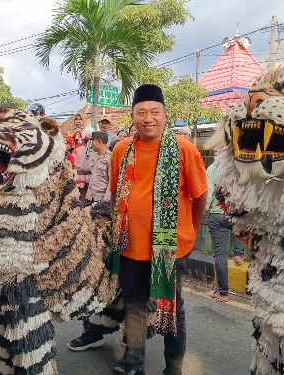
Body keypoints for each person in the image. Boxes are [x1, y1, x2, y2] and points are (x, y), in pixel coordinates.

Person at [68, 84, 208, 375]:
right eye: (141, 112)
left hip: (169, 242)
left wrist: (191, 232)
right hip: (129, 242)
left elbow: (199, 195)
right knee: (133, 304)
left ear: (164, 114)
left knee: (171, 308)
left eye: (154, 112)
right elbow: (118, 193)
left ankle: (174, 368)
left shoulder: (184, 149)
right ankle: (134, 361)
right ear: (132, 116)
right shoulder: (121, 149)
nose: (148, 118)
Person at [204, 163, 245, 303]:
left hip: (217, 214)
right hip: (237, 212)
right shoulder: (241, 165)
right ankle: (239, 253)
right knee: (239, 229)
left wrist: (205, 211)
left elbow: (208, 192)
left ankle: (223, 292)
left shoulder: (213, 168)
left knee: (220, 255)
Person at [83, 131, 111, 206]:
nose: (91, 144)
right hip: (89, 197)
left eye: (92, 141)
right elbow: (88, 170)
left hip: (100, 200)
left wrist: (105, 203)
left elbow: (111, 183)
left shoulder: (110, 159)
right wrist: (73, 169)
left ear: (99, 141)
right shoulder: (94, 156)